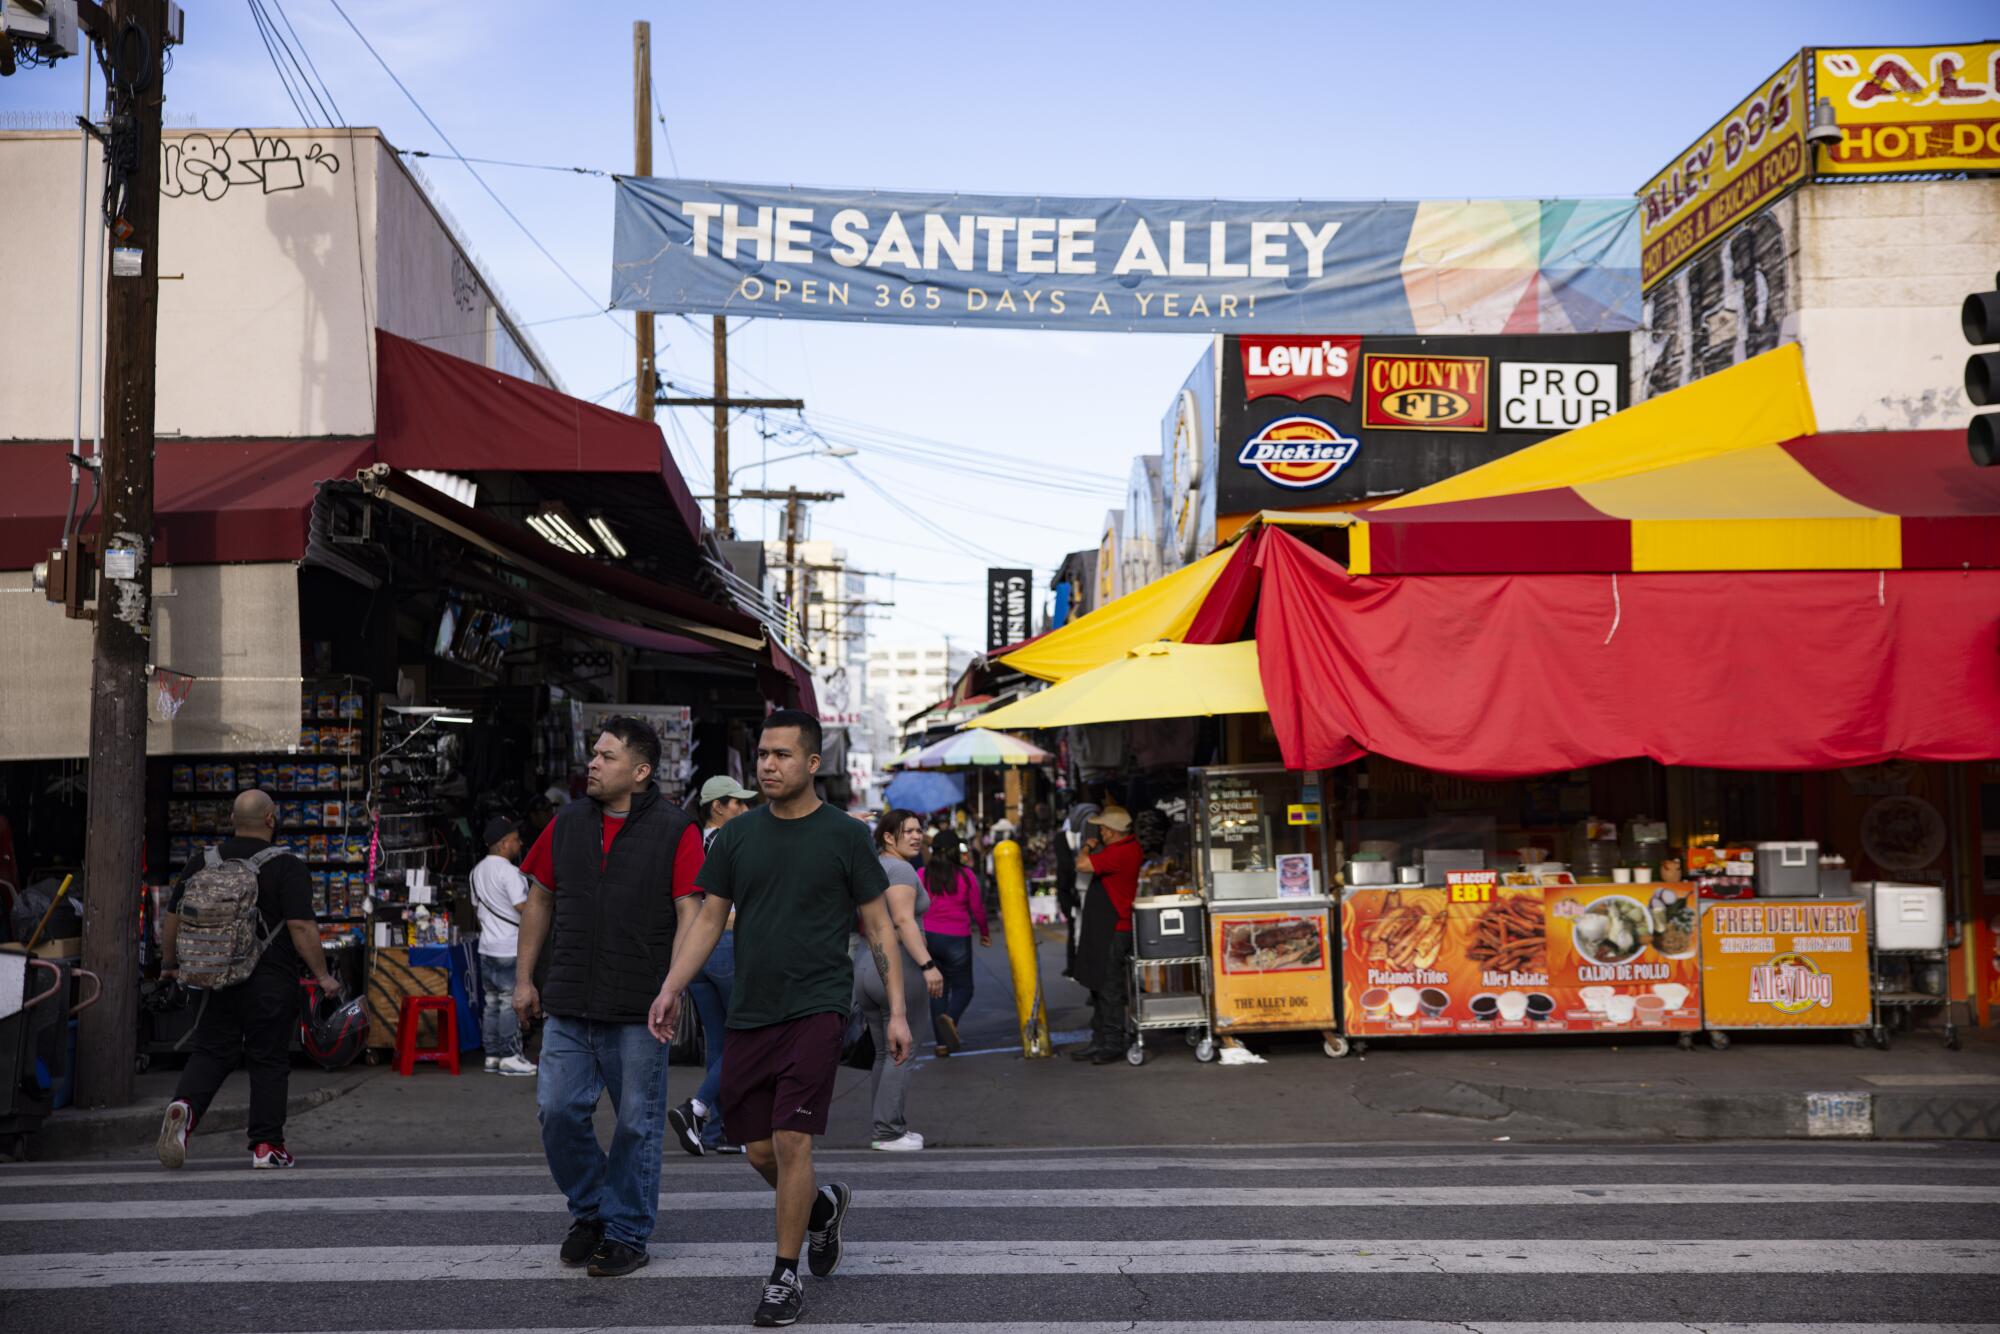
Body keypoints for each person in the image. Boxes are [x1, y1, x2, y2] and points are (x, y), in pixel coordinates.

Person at [649, 709, 911, 1329]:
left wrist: (896, 1013)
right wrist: (672, 987)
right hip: (751, 1011)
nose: (768, 764)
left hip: (818, 1006)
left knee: (794, 1141)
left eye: (782, 755)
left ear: (813, 764)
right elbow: (709, 919)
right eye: (763, 754)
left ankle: (783, 1275)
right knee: (759, 1151)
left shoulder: (846, 835)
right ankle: (821, 1210)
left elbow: (879, 925)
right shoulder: (737, 837)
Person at [512, 717, 706, 1279]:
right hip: (570, 998)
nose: (592, 764)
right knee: (557, 1112)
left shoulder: (676, 829)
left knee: (635, 1125)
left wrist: (674, 988)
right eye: (593, 754)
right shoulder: (567, 822)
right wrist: (525, 979)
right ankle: (594, 1208)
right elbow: (540, 901)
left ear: (640, 771)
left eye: (607, 756)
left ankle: (625, 1232)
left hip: (641, 1004)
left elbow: (691, 914)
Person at [156, 789, 342, 1170]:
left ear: (231, 819)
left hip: (211, 979)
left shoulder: (201, 861)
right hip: (269, 981)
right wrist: (323, 976)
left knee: (211, 1051)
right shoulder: (287, 865)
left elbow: (172, 919)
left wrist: (170, 966)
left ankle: (185, 1107)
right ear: (272, 819)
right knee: (269, 1059)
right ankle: (266, 1146)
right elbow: (301, 926)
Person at [668, 774, 759, 1157]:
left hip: (697, 950)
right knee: (749, 1037)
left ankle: (718, 1131)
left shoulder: (693, 841)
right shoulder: (732, 841)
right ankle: (698, 1108)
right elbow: (730, 906)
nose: (744, 808)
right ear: (717, 807)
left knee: (720, 1043)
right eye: (736, 802)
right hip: (725, 945)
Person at [860, 808, 944, 1151]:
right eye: (907, 831)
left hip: (868, 966)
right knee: (902, 1051)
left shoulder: (875, 866)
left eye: (918, 829)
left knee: (884, 1052)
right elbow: (903, 921)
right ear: (887, 837)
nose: (916, 835)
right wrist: (928, 965)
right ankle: (888, 1131)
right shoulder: (901, 870)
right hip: (899, 967)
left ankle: (884, 1125)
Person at [1072, 806, 1142, 1066]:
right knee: (1100, 985)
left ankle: (1112, 1042)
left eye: (1102, 828)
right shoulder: (1121, 848)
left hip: (1113, 929)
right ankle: (1100, 1038)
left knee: (1110, 988)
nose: (1099, 831)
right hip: (1104, 928)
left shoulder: (1121, 852)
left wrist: (1088, 847)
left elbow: (1081, 864)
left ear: (1112, 832)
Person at [470, 816, 537, 1077]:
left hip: (487, 946)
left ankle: (493, 1055)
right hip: (510, 947)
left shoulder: (476, 871)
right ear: (503, 843)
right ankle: (510, 1055)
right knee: (510, 1002)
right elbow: (524, 907)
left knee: (492, 1002)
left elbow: (477, 909)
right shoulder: (509, 872)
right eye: (516, 839)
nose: (520, 844)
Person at [919, 829, 988, 1057]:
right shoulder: (966, 875)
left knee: (938, 990)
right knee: (964, 988)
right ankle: (951, 1017)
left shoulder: (922, 874)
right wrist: (984, 932)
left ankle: (941, 1044)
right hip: (957, 937)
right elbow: (977, 908)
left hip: (929, 938)